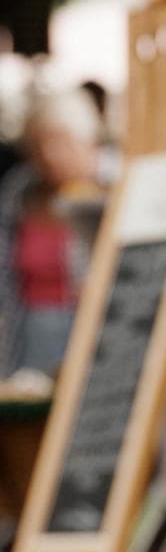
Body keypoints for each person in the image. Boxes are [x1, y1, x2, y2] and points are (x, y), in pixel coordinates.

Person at [0, 86, 103, 380]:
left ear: (86, 140)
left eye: (59, 142)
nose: (49, 155)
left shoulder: (112, 188)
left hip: (91, 332)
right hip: (27, 338)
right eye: (38, 146)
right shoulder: (18, 193)